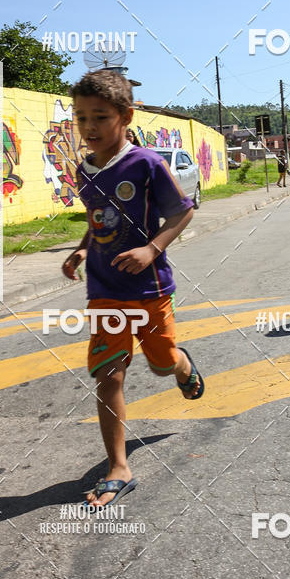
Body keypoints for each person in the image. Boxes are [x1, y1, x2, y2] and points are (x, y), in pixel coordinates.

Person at [62, 70, 200, 507]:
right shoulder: (83, 171)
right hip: (104, 290)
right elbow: (97, 219)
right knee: (109, 375)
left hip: (150, 288)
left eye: (99, 117)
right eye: (81, 117)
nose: (89, 128)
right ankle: (118, 467)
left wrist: (151, 249)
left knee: (161, 364)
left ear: (125, 116)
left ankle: (181, 366)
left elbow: (182, 213)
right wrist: (83, 250)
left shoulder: (146, 164)